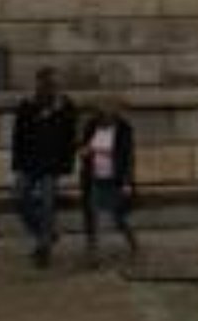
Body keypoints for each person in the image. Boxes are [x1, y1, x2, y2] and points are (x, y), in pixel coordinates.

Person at [9, 65, 78, 270]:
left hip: (52, 164)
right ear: (39, 84)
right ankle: (45, 233)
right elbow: (18, 136)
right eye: (47, 83)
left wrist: (67, 165)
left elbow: (70, 138)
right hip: (30, 162)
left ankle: (44, 248)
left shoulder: (66, 106)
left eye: (54, 84)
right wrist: (17, 164)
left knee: (48, 205)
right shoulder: (28, 105)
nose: (51, 88)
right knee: (19, 198)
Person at [78, 101, 140, 262]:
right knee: (92, 215)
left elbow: (128, 158)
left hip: (115, 180)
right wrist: (85, 152)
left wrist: (127, 182)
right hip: (94, 179)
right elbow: (84, 149)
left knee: (119, 218)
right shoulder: (91, 127)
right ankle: (93, 254)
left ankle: (133, 243)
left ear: (112, 117)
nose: (102, 122)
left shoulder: (123, 130)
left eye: (105, 119)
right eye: (100, 118)